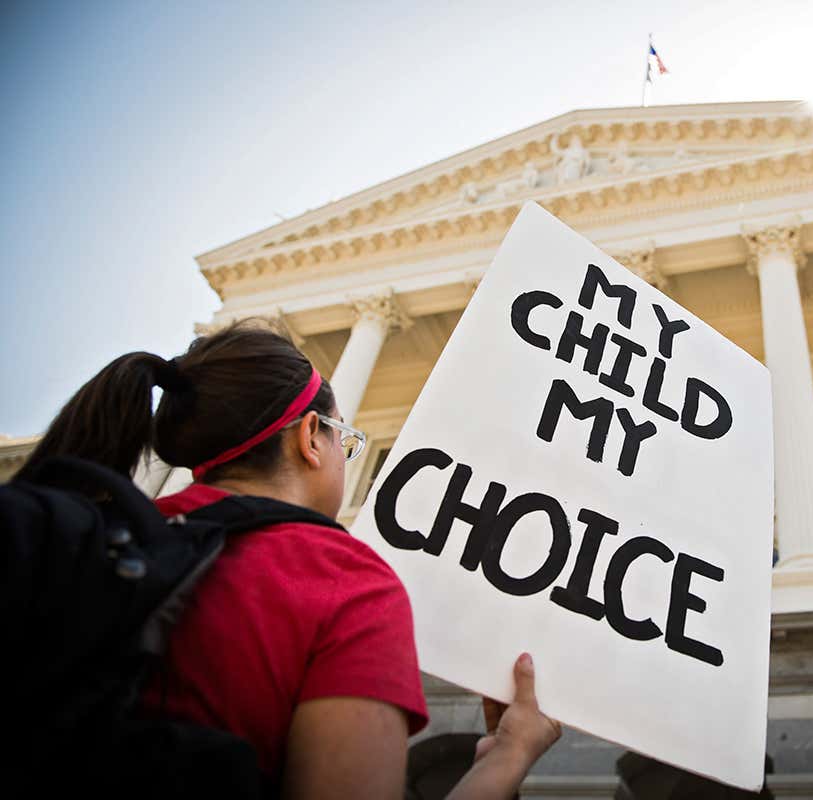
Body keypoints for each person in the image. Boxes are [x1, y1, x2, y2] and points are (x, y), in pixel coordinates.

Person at [17, 320, 561, 798]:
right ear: (310, 438)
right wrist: (510, 756)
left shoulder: (95, 535)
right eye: (346, 442)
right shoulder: (345, 581)